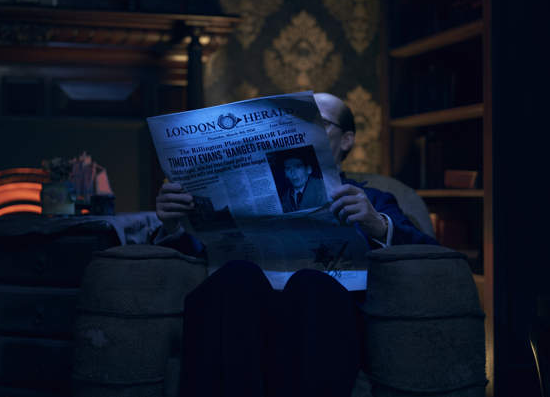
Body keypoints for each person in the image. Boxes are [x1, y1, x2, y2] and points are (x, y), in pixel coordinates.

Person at [154, 93, 438, 397]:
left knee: (312, 284)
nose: (308, 128)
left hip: (320, 313)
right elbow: (199, 257)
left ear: (346, 140)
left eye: (320, 122)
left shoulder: (372, 198)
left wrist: (377, 223)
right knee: (235, 276)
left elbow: (431, 254)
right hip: (246, 307)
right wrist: (172, 226)